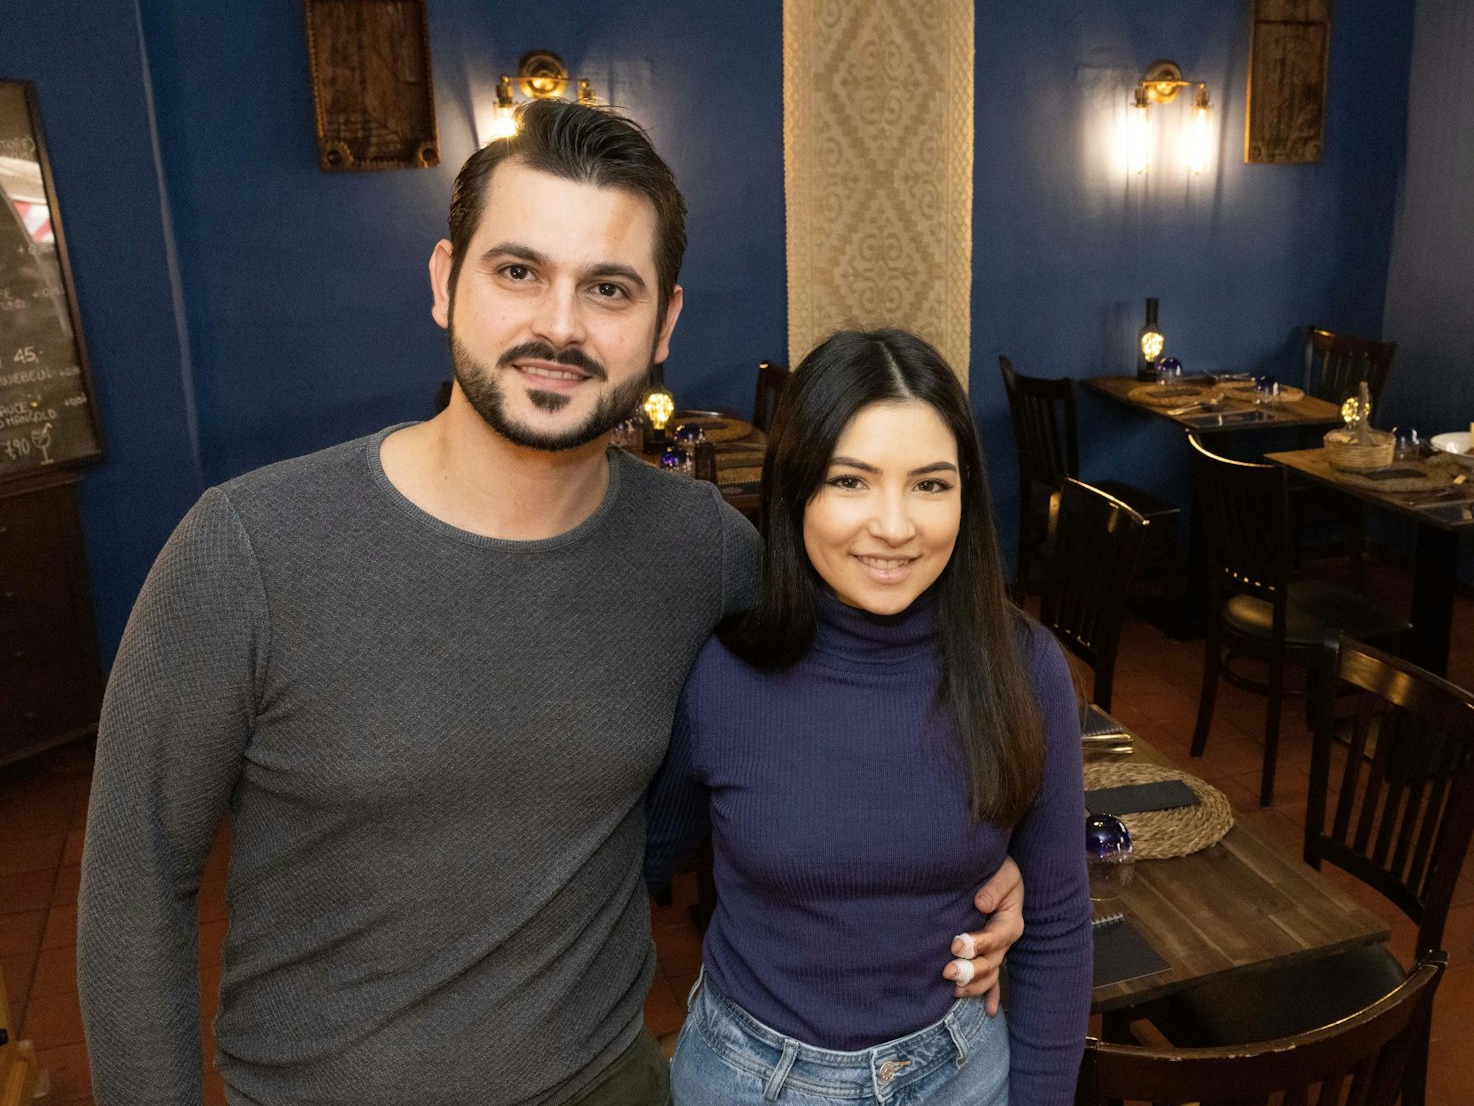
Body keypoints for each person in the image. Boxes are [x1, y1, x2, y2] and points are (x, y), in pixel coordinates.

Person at [76, 99, 1023, 1106]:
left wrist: (964, 874)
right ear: (446, 282)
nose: (560, 326)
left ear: (663, 324)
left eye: (608, 288)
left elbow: (869, 687)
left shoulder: (703, 552)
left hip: (606, 1082)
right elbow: (136, 888)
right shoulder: (246, 551)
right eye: (518, 271)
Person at [644, 329, 1092, 1106]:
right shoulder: (719, 670)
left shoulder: (1021, 666)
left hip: (958, 1072)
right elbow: (634, 871)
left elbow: (1055, 923)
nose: (894, 525)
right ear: (796, 489)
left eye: (930, 484)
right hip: (749, 1078)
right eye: (850, 480)